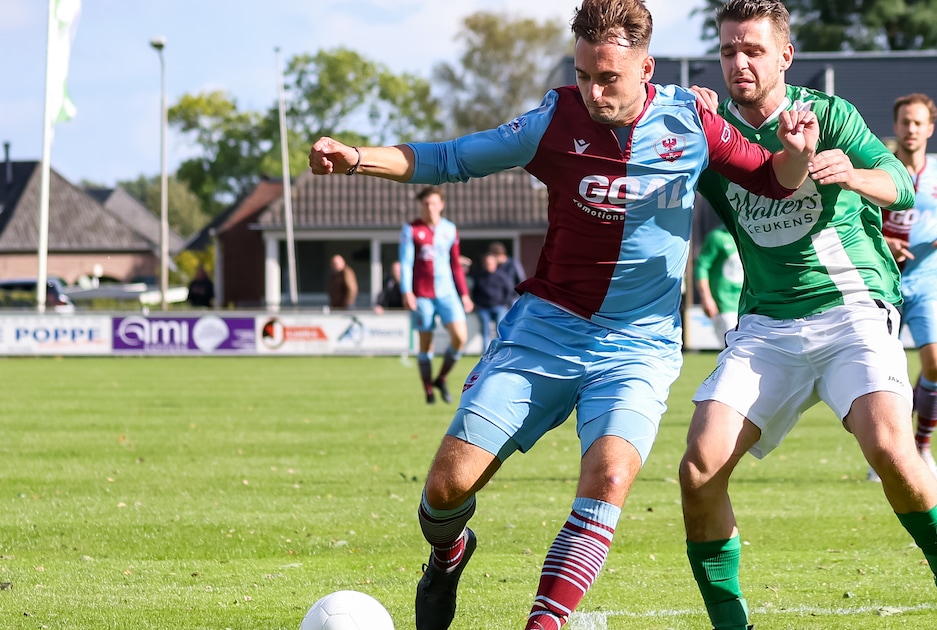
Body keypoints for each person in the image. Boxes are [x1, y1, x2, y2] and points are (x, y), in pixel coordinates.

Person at [308, 0, 814, 627]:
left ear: (646, 68)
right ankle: (448, 553)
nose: (594, 92)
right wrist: (357, 157)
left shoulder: (692, 121)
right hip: (546, 329)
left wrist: (797, 153)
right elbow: (448, 158)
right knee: (446, 489)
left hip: (639, 345)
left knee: (609, 480)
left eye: (609, 78)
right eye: (583, 75)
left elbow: (774, 180)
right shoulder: (552, 121)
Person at [678, 2, 937, 630]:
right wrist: (682, 114)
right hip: (767, 326)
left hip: (852, 311)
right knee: (699, 469)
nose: (739, 63)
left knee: (891, 450)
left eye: (753, 50)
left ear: (785, 56)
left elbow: (900, 185)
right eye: (728, 51)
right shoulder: (708, 131)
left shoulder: (827, 115)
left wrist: (852, 173)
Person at [879, 93, 937, 483]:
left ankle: (922, 447)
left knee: (936, 364)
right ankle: (883, 453)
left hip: (928, 279)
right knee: (882, 376)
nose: (911, 129)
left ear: (929, 128)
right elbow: (859, 217)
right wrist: (885, 241)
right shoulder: (880, 168)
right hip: (884, 282)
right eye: (905, 122)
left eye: (918, 123)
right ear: (895, 127)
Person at [400, 186, 475, 405]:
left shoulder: (450, 229)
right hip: (422, 295)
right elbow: (406, 263)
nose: (429, 207)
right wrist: (407, 291)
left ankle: (441, 378)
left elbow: (455, 264)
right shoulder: (411, 230)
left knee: (460, 338)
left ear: (441, 205)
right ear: (421, 206)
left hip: (447, 293)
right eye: (426, 204)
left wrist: (464, 294)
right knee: (426, 343)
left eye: (433, 203)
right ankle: (428, 390)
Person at [695, 224, 743, 347]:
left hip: (745, 301)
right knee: (733, 345)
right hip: (724, 301)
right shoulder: (717, 237)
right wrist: (706, 298)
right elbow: (702, 266)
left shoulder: (748, 233)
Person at [469, 246, 519, 351]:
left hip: (499, 306)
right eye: (486, 263)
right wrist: (478, 304)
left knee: (499, 330)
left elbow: (509, 291)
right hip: (483, 308)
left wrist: (505, 304)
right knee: (485, 331)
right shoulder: (480, 277)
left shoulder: (502, 276)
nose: (488, 265)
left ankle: (500, 351)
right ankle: (486, 352)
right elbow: (475, 292)